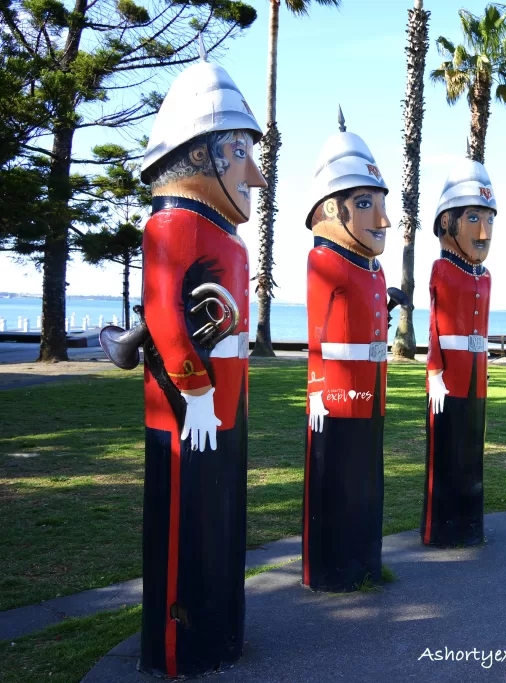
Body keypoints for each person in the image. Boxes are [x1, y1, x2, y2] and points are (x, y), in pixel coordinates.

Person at [133, 50, 266, 678]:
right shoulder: (173, 225)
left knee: (222, 525)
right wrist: (195, 390)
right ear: (202, 153)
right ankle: (182, 645)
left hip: (225, 408)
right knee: (189, 523)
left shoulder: (225, 236)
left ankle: (222, 628)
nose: (256, 174)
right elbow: (163, 315)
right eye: (241, 151)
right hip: (192, 411)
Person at [302, 108, 392, 592]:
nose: (383, 219)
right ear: (330, 209)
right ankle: (334, 568)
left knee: (366, 481)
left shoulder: (373, 270)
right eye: (365, 203)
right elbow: (318, 336)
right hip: (336, 397)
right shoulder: (325, 261)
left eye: (380, 202)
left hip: (371, 395)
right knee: (335, 481)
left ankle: (365, 563)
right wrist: (317, 390)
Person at [421, 158, 497, 548]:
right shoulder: (443, 269)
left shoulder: (484, 277)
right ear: (447, 222)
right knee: (447, 452)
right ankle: (443, 528)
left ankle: (470, 523)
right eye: (473, 218)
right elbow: (435, 324)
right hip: (449, 376)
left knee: (471, 452)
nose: (484, 231)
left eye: (489, 219)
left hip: (475, 377)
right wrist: (434, 371)